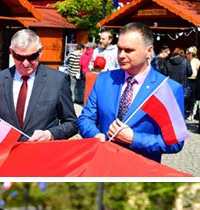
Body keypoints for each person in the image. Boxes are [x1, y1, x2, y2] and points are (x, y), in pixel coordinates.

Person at [77, 22, 186, 162]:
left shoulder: (167, 88)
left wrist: (134, 139)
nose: (121, 55)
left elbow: (175, 142)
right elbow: (85, 118)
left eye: (129, 50)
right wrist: (95, 135)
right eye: (119, 49)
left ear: (148, 51)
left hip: (139, 169)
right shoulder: (104, 79)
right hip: (102, 162)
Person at [0, 29, 77, 141]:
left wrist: (50, 134)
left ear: (40, 51)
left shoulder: (57, 80)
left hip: (42, 153)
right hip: (7, 154)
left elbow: (72, 124)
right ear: (11, 52)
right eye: (20, 57)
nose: (25, 63)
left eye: (32, 57)